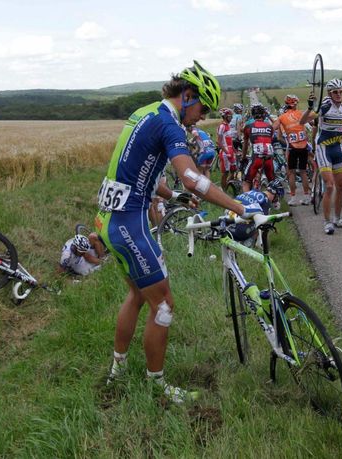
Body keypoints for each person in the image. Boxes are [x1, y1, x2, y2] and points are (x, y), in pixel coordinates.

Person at [96, 61, 263, 403]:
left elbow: (140, 171)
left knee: (138, 295)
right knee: (164, 306)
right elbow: (193, 177)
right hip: (129, 223)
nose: (202, 117)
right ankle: (157, 387)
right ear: (187, 96)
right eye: (203, 107)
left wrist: (172, 196)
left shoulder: (146, 112)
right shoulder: (170, 125)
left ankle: (117, 372)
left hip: (108, 217)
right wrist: (239, 207)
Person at [300, 79, 342, 234]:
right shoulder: (325, 107)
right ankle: (327, 222)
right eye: (335, 92)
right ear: (329, 93)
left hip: (337, 148)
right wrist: (310, 107)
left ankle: (337, 218)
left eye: (341, 91)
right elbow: (303, 121)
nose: (339, 94)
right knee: (329, 186)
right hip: (323, 148)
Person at [274, 94, 311, 205]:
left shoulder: (282, 117)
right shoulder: (301, 114)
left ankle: (294, 198)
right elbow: (313, 123)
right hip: (304, 146)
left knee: (291, 173)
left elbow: (272, 129)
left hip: (292, 147)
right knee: (303, 172)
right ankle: (306, 196)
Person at [227, 179, 285, 246]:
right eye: (278, 197)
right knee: (262, 225)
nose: (277, 200)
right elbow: (263, 222)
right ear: (276, 195)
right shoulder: (265, 201)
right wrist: (274, 219)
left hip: (227, 222)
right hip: (238, 230)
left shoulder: (253, 191)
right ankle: (248, 244)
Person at [242, 103, 275, 192]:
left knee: (246, 182)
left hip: (256, 157)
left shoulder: (248, 126)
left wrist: (243, 158)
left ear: (253, 115)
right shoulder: (269, 126)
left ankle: (248, 204)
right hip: (269, 157)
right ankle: (275, 202)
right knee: (272, 183)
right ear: (264, 115)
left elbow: (245, 145)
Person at [217, 107, 237, 190]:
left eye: (231, 117)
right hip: (225, 152)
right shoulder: (222, 126)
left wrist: (234, 149)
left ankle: (225, 187)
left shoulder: (228, 126)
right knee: (225, 173)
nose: (231, 118)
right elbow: (218, 142)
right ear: (225, 116)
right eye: (230, 116)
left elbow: (230, 139)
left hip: (230, 151)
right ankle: (223, 190)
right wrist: (226, 152)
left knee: (233, 171)